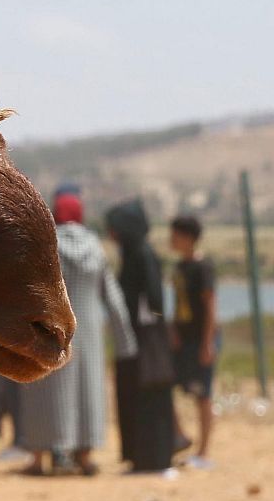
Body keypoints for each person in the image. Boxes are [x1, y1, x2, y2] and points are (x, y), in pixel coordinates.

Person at [16, 188, 135, 476]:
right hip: (90, 331)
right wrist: (125, 342)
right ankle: (84, 456)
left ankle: (38, 458)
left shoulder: (47, 245)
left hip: (51, 329)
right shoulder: (95, 246)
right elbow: (113, 296)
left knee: (44, 392)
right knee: (88, 390)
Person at [106, 198, 179, 475]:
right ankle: (139, 458)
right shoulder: (132, 252)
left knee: (150, 396)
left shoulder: (142, 254)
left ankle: (157, 459)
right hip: (135, 339)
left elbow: (153, 300)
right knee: (133, 397)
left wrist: (146, 328)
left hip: (146, 341)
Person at [169, 213, 218, 470]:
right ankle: (182, 436)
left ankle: (204, 452)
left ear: (188, 238)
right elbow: (178, 304)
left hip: (200, 339)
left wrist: (207, 343)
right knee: (168, 384)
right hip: (183, 339)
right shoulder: (179, 268)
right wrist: (174, 330)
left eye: (175, 235)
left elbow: (210, 306)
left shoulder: (203, 267)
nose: (171, 240)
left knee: (203, 395)